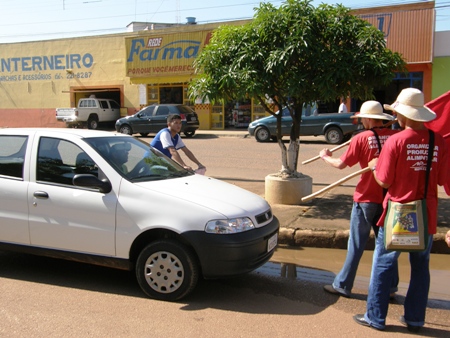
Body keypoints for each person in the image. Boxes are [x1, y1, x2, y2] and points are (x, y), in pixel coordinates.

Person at [354, 88, 449, 332]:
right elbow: (443, 179)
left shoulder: (396, 141)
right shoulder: (437, 141)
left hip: (398, 213)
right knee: (421, 266)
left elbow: (384, 181)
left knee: (383, 263)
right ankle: (415, 319)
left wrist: (374, 167)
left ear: (403, 116)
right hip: (426, 215)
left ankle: (375, 316)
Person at [319, 100, 399, 298]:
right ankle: (389, 288)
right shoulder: (396, 137)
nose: (361, 121)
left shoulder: (361, 138)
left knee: (356, 244)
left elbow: (340, 164)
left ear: (369, 119)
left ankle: (343, 285)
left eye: (363, 118)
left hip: (366, 199)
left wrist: (325, 156)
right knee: (389, 245)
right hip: (389, 199)